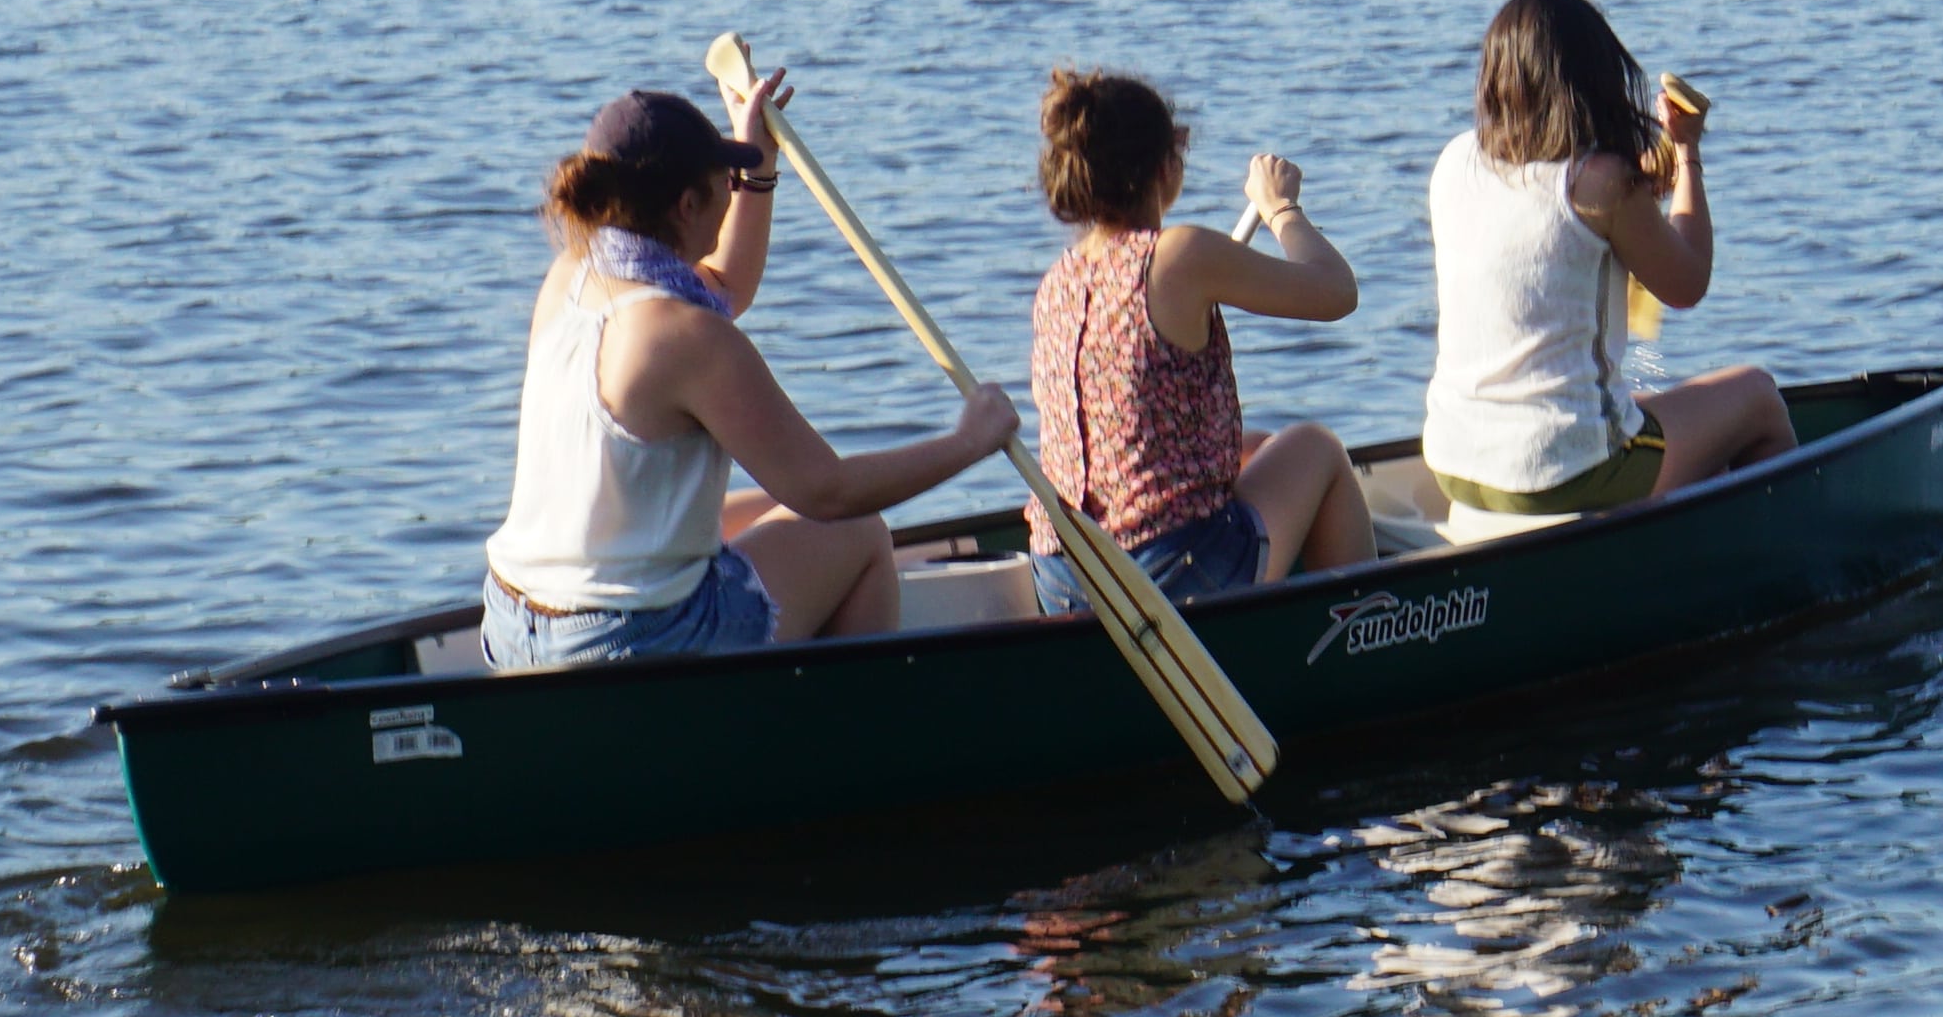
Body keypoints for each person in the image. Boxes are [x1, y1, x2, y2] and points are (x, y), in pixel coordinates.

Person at [479, 72, 1017, 666]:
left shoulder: (573, 274)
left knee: (755, 509)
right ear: (688, 206)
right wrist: (972, 442)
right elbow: (828, 491)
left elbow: (727, 285)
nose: (734, 192)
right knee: (859, 532)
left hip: (510, 620)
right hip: (626, 645)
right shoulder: (691, 338)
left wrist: (759, 168)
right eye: (727, 184)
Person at [1421, 0, 1793, 523]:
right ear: (1594, 79)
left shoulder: (1455, 160)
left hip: (1454, 459)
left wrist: (1637, 186)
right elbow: (1686, 283)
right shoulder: (1602, 185)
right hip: (1560, 472)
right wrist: (1686, 153)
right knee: (1757, 396)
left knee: (1640, 402)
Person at [1030, 66, 1374, 610]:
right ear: (1166, 167)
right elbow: (1335, 292)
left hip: (1062, 576)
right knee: (1316, 448)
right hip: (1166, 573)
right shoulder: (1177, 255)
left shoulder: (1059, 279)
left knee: (1258, 447)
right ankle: (1357, 633)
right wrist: (1280, 208)